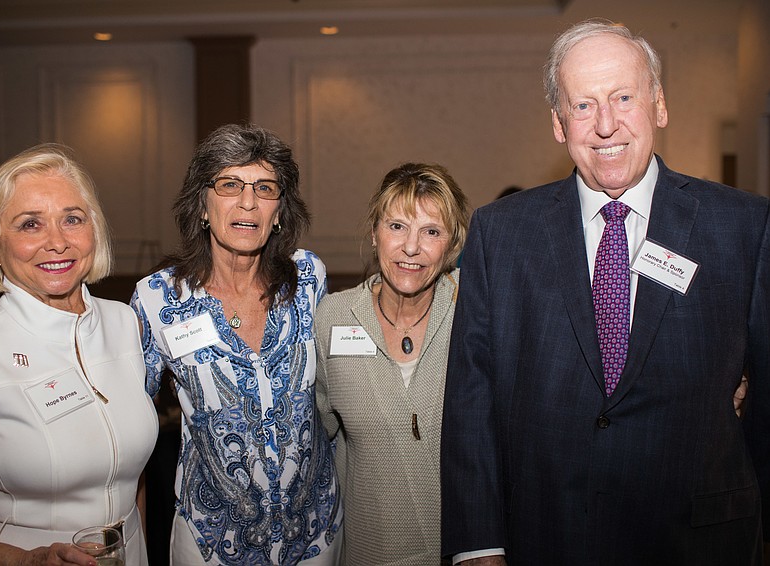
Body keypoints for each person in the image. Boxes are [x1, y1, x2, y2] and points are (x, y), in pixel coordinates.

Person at [441, 18, 770, 566]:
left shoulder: (743, 226)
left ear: (659, 105)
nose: (606, 124)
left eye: (623, 97)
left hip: (699, 540)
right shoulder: (501, 233)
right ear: (558, 122)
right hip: (547, 538)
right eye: (584, 105)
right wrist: (478, 544)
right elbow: (473, 399)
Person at [0, 143, 159, 565]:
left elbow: (132, 471)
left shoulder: (127, 324)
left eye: (72, 218)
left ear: (94, 231)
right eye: (30, 224)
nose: (58, 241)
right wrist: (25, 561)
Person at [131, 123, 341, 566]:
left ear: (280, 210)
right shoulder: (157, 299)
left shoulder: (309, 279)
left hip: (314, 535)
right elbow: (129, 432)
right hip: (211, 541)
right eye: (230, 184)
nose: (248, 202)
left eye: (265, 188)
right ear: (202, 204)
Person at [315, 163, 469, 565]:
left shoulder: (474, 313)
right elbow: (318, 438)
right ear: (374, 233)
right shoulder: (333, 317)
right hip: (369, 551)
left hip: (458, 550)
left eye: (431, 231)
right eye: (397, 226)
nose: (411, 248)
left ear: (452, 244)